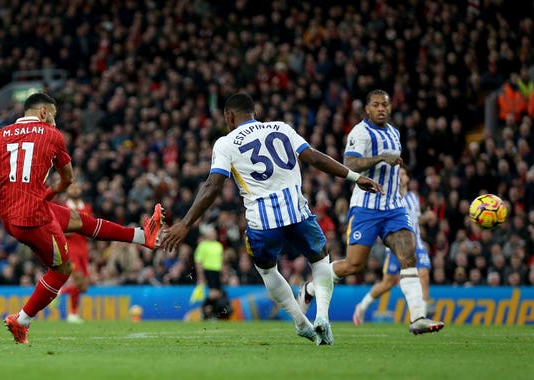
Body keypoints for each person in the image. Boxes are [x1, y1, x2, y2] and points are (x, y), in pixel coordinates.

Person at [160, 93, 383, 346]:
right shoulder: (281, 128)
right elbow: (314, 157)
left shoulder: (226, 142)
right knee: (320, 259)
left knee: (267, 270)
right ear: (254, 113)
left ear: (229, 117)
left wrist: (186, 223)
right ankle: (322, 315)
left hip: (262, 223)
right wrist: (355, 177)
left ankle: (301, 322)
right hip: (298, 213)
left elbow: (213, 185)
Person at [0, 93, 164, 344]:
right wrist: (55, 189)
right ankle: (22, 320)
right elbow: (68, 179)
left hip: (11, 214)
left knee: (81, 221)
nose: (55, 123)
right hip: (32, 216)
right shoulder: (52, 135)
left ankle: (142, 236)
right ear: (44, 113)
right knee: (62, 269)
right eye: (54, 117)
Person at [318, 89, 443, 335]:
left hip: (394, 207)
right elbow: (350, 164)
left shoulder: (395, 133)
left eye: (384, 104)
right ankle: (313, 288)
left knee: (409, 256)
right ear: (367, 109)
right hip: (365, 207)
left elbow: (393, 166)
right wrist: (380, 158)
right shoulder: (360, 132)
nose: (381, 109)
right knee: (354, 265)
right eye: (375, 105)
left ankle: (417, 318)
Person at [298, 166, 435, 324]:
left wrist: (426, 218)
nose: (400, 177)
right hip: (385, 238)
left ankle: (419, 317)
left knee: (423, 276)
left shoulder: (413, 198)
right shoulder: (382, 195)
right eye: (399, 173)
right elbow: (351, 162)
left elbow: (415, 220)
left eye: (402, 174)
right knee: (359, 268)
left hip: (415, 242)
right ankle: (356, 304)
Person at [57, 182, 92, 323]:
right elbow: (60, 227)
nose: (75, 190)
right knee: (77, 279)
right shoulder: (63, 208)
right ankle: (73, 313)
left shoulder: (87, 208)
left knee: (83, 286)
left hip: (84, 249)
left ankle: (60, 293)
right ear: (68, 190)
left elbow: (90, 227)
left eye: (77, 188)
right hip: (70, 248)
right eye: (72, 188)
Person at [193, 226, 231, 320]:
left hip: (217, 271)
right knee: (214, 293)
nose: (213, 234)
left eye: (214, 233)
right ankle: (204, 309)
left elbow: (221, 260)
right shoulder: (203, 245)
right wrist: (201, 275)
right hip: (208, 270)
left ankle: (210, 313)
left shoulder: (219, 245)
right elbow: (198, 261)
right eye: (211, 233)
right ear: (207, 235)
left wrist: (224, 273)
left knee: (217, 293)